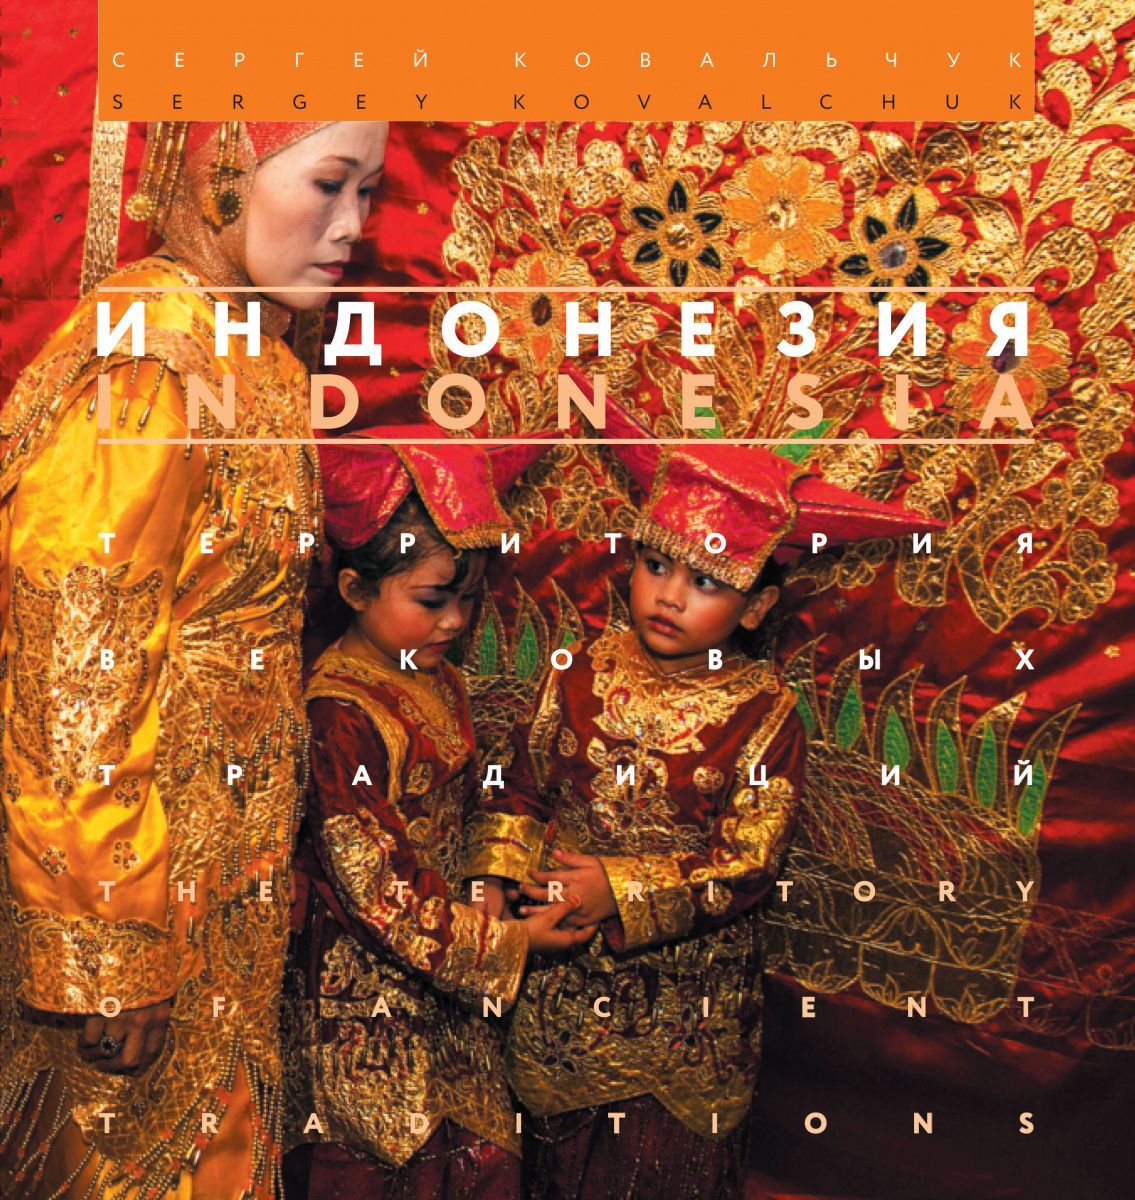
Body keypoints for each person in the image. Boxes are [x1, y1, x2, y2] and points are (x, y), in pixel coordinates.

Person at [0, 118, 388, 1198]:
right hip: (142, 894)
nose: (352, 226)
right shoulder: (147, 354)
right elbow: (72, 671)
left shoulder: (247, 348)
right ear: (221, 168)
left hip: (219, 886)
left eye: (369, 192)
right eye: (329, 183)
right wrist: (111, 950)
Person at [464, 396, 944, 1200]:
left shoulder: (764, 714)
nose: (670, 596)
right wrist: (494, 885)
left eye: (707, 581)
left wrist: (619, 887)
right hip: (553, 985)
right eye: (657, 565)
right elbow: (517, 787)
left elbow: (749, 863)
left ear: (756, 607)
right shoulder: (576, 669)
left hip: (686, 1019)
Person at [281, 431, 595, 1200]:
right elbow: (376, 888)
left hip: (448, 973)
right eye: (432, 601)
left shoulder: (434, 677)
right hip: (365, 995)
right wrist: (507, 943)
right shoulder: (338, 714)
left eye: (467, 600)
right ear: (355, 590)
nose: (454, 621)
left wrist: (491, 881)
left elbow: (472, 800)